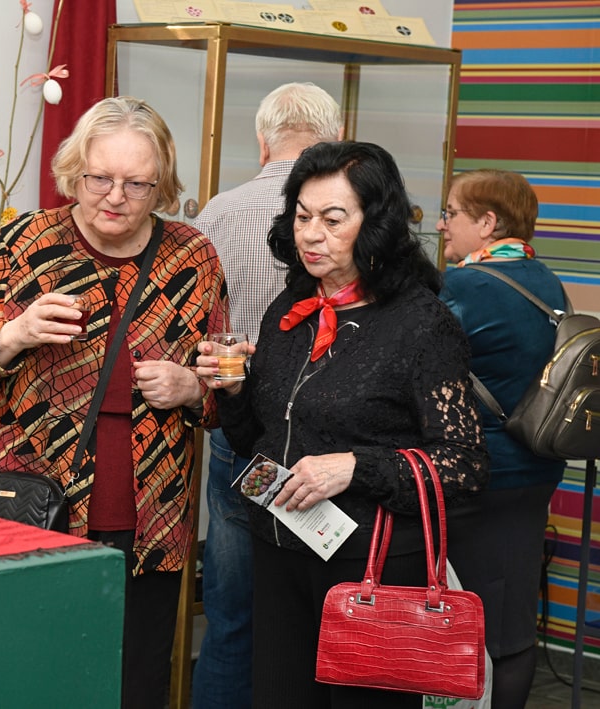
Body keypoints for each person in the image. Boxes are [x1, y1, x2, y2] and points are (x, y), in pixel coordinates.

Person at [0, 96, 230, 709]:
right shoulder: (26, 241)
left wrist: (193, 388)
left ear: (160, 184)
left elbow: (228, 397)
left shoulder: (192, 257)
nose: (114, 197)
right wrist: (14, 333)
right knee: (25, 682)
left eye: (136, 184)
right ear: (76, 171)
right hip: (30, 511)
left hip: (149, 525)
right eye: (99, 178)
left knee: (132, 686)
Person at [196, 140, 490, 709]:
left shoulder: (419, 323)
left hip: (370, 566)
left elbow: (466, 465)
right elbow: (256, 439)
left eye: (333, 220)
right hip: (280, 548)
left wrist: (355, 467)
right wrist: (233, 392)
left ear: (375, 224)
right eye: (303, 216)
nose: (311, 235)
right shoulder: (291, 306)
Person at [191, 81, 342, 709]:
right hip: (330, 447)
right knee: (317, 621)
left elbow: (188, 330)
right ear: (337, 140)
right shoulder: (355, 219)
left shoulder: (218, 214)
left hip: (242, 431)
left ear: (262, 141)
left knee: (232, 615)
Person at [437, 169, 566, 708]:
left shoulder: (464, 286)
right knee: (511, 625)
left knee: (461, 625)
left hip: (477, 478)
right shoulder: (546, 281)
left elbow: (418, 363)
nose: (441, 225)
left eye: (451, 213)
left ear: (488, 222)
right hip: (536, 471)